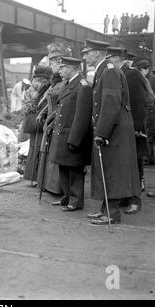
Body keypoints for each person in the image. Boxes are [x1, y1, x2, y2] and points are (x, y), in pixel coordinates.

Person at [82, 39, 140, 225]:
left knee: (111, 170)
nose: (84, 56)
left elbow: (110, 103)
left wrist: (101, 132)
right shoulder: (105, 70)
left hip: (113, 129)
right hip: (113, 127)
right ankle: (105, 209)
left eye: (87, 52)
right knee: (107, 168)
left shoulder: (109, 71)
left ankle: (112, 214)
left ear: (98, 53)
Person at [107, 48, 149, 215]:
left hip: (133, 129)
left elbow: (140, 103)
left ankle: (135, 200)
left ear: (117, 58)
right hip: (124, 128)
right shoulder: (119, 72)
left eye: (109, 58)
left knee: (135, 165)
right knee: (124, 165)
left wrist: (136, 129)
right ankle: (126, 196)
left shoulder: (133, 74)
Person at [50, 57, 93, 212]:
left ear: (71, 68)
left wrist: (75, 140)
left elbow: (82, 117)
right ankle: (67, 197)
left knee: (75, 169)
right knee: (63, 167)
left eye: (62, 67)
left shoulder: (83, 86)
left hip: (73, 135)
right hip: (63, 133)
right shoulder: (68, 84)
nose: (59, 71)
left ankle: (76, 201)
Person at [36, 40, 73, 196]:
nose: (50, 66)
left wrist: (51, 117)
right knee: (50, 153)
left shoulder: (67, 81)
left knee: (57, 155)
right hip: (51, 122)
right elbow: (50, 99)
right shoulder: (56, 81)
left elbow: (64, 103)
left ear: (60, 62)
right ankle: (49, 185)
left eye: (52, 62)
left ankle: (57, 187)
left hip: (59, 122)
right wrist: (43, 112)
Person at [22, 66, 53, 185]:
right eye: (36, 80)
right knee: (35, 148)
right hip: (35, 121)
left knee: (38, 148)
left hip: (38, 122)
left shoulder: (44, 91)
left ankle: (36, 178)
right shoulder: (38, 90)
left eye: (38, 80)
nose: (36, 82)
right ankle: (34, 177)